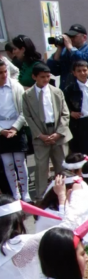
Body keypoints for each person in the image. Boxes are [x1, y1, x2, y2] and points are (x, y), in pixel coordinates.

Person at [0, 60, 30, 202]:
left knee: (20, 162)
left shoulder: (16, 86)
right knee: (8, 164)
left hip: (16, 128)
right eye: (0, 73)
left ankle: (25, 193)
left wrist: (14, 128)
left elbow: (24, 110)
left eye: (5, 71)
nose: (4, 75)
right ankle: (15, 194)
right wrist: (2, 130)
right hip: (1, 131)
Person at [47, 24, 88, 91]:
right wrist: (59, 49)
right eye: (69, 36)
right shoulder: (65, 52)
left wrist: (70, 48)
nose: (71, 39)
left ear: (84, 37)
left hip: (87, 90)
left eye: (74, 36)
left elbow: (86, 61)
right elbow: (52, 70)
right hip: (67, 91)